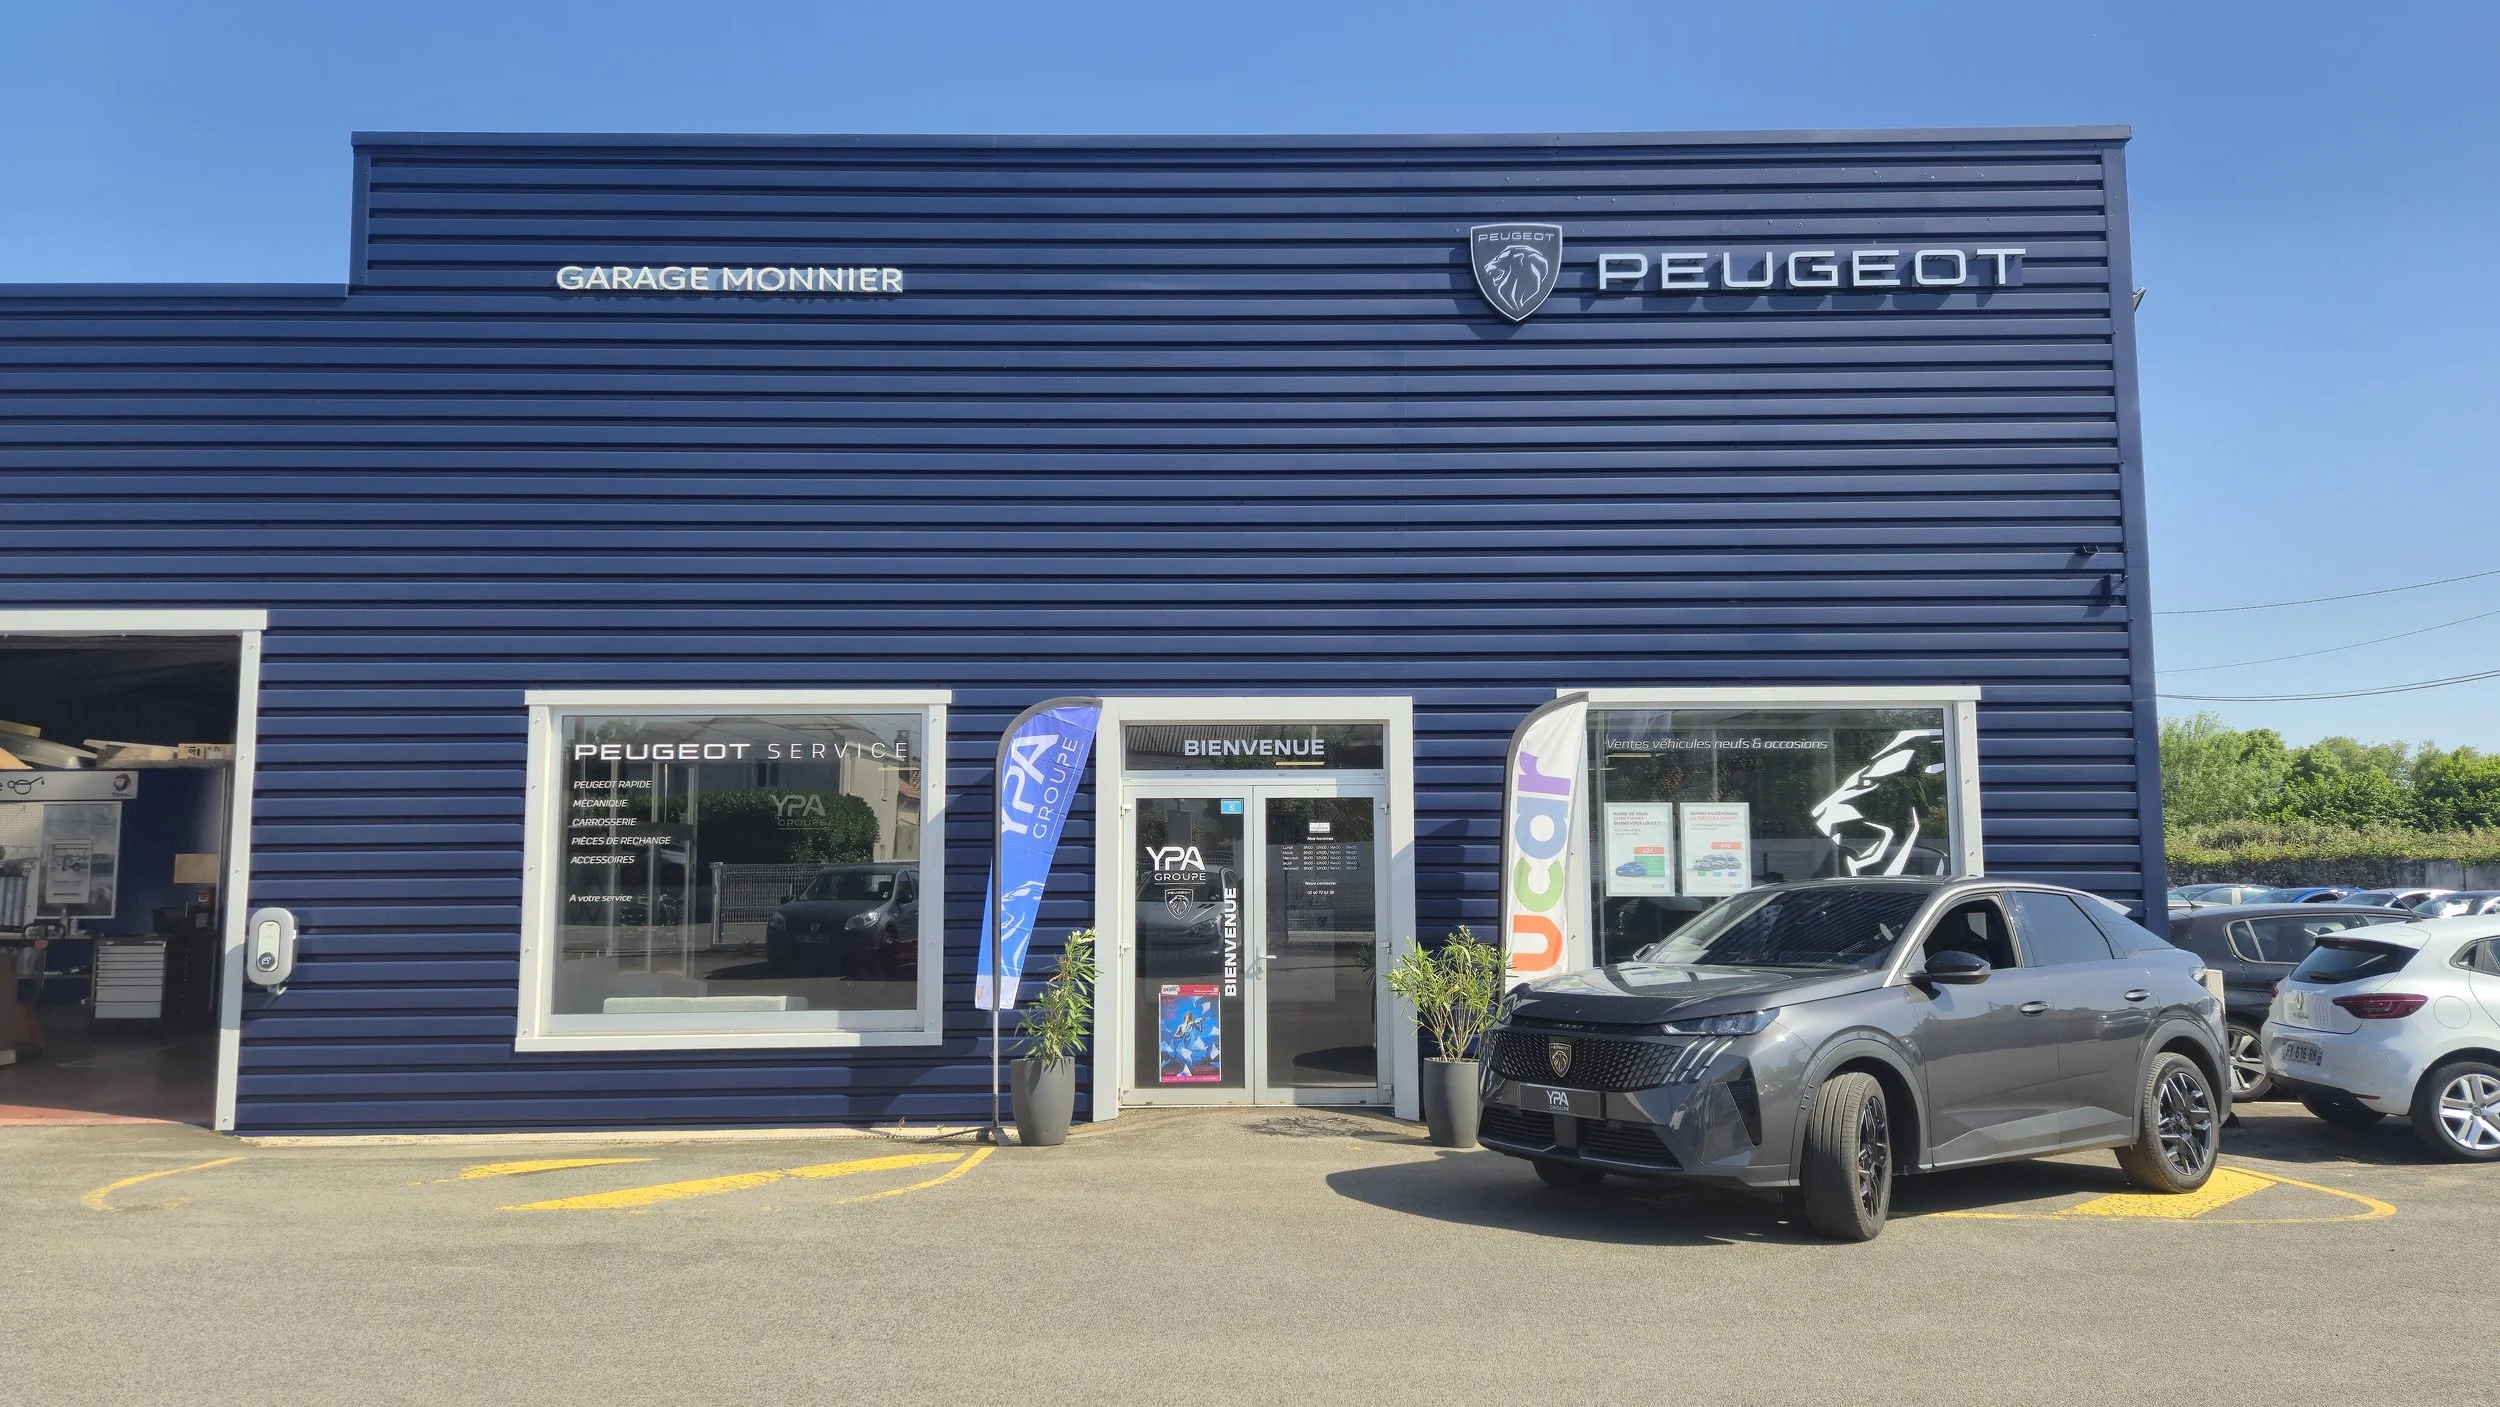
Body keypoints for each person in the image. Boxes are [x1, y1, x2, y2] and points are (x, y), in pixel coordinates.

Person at [5, 932, 48, 1061]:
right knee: (26, 1011)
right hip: (25, 983)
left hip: (21, 983)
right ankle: (32, 1043)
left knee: (23, 1010)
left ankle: (27, 1043)